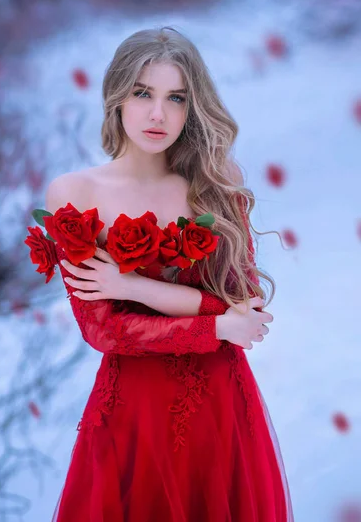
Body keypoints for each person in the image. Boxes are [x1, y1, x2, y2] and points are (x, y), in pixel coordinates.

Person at [46, 26, 294, 521]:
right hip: (134, 415)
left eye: (176, 97)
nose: (158, 114)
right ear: (117, 96)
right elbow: (105, 330)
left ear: (192, 106)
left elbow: (244, 307)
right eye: (143, 93)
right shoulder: (76, 193)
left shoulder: (217, 183)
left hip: (221, 408)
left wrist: (131, 285)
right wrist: (217, 324)